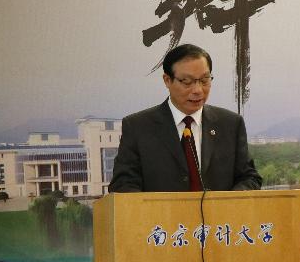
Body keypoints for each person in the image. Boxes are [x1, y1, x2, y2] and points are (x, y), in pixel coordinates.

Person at [108, 43, 261, 192]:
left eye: (204, 80)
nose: (198, 90)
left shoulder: (230, 124)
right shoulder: (138, 127)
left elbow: (249, 178)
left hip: (220, 210)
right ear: (167, 80)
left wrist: (230, 201)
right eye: (187, 82)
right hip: (160, 210)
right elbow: (123, 184)